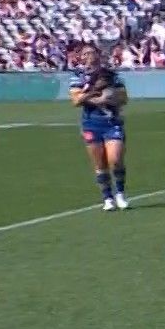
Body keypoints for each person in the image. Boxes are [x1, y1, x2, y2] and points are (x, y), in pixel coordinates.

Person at [67, 44, 128, 211]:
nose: (89, 56)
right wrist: (95, 96)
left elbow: (123, 98)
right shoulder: (78, 77)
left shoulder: (111, 75)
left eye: (92, 52)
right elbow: (76, 100)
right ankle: (107, 198)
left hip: (112, 121)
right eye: (85, 53)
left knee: (115, 159)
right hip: (91, 123)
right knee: (100, 163)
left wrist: (110, 98)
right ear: (81, 57)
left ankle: (120, 193)